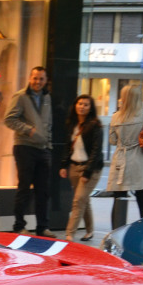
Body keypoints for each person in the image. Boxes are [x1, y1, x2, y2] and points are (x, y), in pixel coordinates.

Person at [4, 66, 54, 236]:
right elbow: (9, 119)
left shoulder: (47, 98)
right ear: (29, 78)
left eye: (41, 79)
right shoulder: (20, 96)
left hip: (43, 149)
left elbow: (48, 124)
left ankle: (42, 227)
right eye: (35, 78)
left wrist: (48, 144)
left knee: (44, 190)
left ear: (45, 80)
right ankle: (19, 225)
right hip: (24, 147)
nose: (37, 82)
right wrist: (29, 130)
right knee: (24, 187)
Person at [106, 84, 143, 226]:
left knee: (118, 201)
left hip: (120, 161)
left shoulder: (116, 117)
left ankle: (115, 235)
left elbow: (113, 141)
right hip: (139, 160)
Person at [59, 94, 103, 242]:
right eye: (80, 104)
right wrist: (64, 165)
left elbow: (96, 151)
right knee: (84, 200)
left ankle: (69, 234)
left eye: (86, 104)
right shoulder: (72, 124)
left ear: (90, 108)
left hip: (90, 169)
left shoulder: (95, 125)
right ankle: (90, 230)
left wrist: (88, 171)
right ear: (75, 106)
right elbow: (67, 146)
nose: (82, 107)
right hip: (73, 167)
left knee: (78, 201)